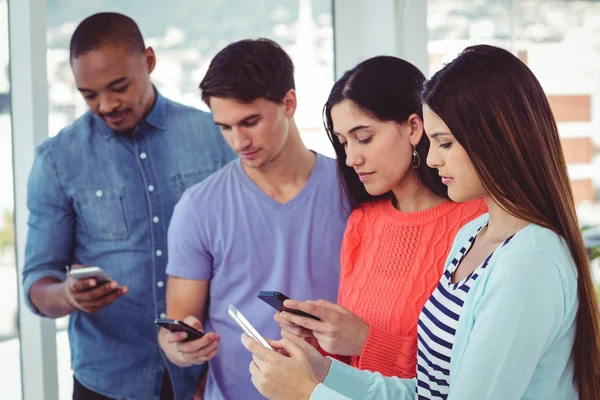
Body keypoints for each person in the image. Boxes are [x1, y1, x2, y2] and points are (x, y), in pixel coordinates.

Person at [242, 44, 600, 400]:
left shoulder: (528, 262)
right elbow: (431, 390)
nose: (431, 159)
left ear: (493, 140)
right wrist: (324, 373)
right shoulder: (471, 237)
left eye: (444, 143)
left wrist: (308, 395)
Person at [21, 12, 236, 400]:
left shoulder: (214, 137)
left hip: (204, 379)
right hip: (106, 382)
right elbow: (37, 282)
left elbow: (241, 260)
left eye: (119, 86)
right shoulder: (57, 160)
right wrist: (69, 296)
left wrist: (222, 370)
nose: (106, 104)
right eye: (89, 94)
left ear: (149, 61)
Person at [158, 38, 348, 400]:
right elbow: (178, 324)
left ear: (289, 103)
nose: (238, 140)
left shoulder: (352, 190)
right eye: (225, 127)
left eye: (250, 121)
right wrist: (180, 347)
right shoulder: (198, 207)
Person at [275, 56, 486, 378]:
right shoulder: (363, 222)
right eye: (343, 142)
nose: (351, 157)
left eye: (364, 138)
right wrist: (317, 344)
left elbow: (476, 369)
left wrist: (366, 341)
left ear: (414, 127)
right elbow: (353, 365)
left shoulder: (478, 222)